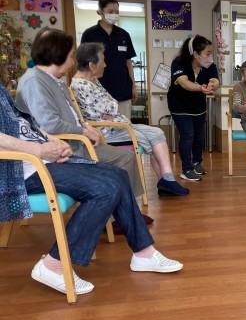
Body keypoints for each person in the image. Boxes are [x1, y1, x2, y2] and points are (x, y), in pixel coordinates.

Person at [0, 83, 182, 296]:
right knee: (106, 189)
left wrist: (53, 142)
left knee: (118, 175)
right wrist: (39, 149)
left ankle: (144, 252)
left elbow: (24, 124)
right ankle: (54, 264)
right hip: (19, 172)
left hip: (38, 160)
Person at [16, 28, 145, 201]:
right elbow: (50, 124)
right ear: (57, 56)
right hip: (65, 147)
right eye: (70, 56)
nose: (73, 63)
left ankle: (126, 209)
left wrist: (86, 127)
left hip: (77, 141)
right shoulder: (34, 81)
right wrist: (83, 131)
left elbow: (74, 116)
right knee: (124, 160)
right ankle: (123, 210)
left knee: (126, 158)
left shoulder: (55, 80)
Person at [71, 43, 189, 196]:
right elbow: (112, 106)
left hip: (117, 124)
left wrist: (110, 111)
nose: (105, 65)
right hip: (107, 130)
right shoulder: (81, 85)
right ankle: (165, 182)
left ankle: (167, 180)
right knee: (148, 141)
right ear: (91, 65)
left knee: (157, 133)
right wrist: (110, 112)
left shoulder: (92, 80)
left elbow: (110, 106)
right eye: (103, 61)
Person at [167, 35, 220, 181]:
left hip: (198, 106)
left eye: (211, 53)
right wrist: (201, 88)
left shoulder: (209, 66)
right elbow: (184, 83)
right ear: (196, 54)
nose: (210, 56)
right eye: (207, 53)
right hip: (179, 105)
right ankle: (186, 169)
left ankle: (196, 163)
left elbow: (215, 80)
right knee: (187, 135)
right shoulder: (179, 63)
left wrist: (213, 85)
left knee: (198, 135)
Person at [80, 0, 138, 119]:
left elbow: (128, 62)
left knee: (125, 127)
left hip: (123, 91)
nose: (114, 15)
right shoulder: (89, 34)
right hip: (99, 93)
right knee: (103, 128)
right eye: (110, 11)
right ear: (101, 11)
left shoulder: (124, 35)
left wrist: (133, 85)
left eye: (116, 12)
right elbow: (84, 65)